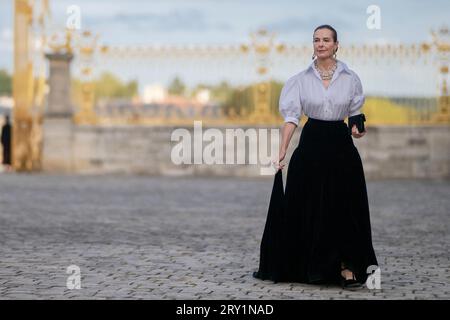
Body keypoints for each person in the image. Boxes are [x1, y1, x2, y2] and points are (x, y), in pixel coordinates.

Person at [253, 25, 378, 288]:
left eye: (326, 40)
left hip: (341, 147)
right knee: (309, 207)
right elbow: (291, 118)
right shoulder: (299, 80)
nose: (320, 44)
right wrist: (282, 150)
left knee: (344, 207)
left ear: (336, 45)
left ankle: (347, 268)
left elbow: (355, 114)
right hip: (310, 147)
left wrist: (357, 129)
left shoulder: (350, 78)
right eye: (316, 40)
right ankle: (313, 267)